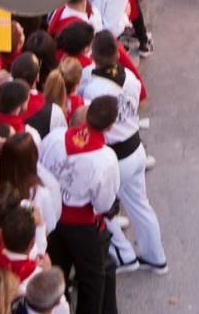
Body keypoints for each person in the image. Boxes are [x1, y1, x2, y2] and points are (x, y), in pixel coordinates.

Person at [82, 30, 168, 274]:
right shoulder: (130, 77)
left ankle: (124, 256)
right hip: (135, 149)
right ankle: (156, 257)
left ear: (94, 56)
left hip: (114, 157)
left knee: (101, 210)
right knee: (141, 206)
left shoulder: (95, 88)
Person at [39, 96, 121, 314]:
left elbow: (42, 168)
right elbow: (103, 203)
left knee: (58, 272)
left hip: (52, 218)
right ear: (111, 125)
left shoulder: (56, 138)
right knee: (92, 281)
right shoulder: (106, 159)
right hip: (82, 225)